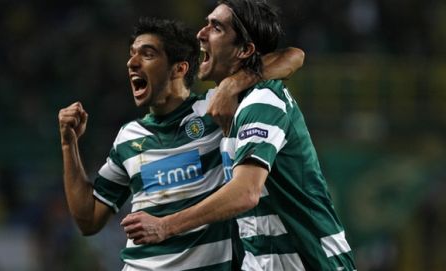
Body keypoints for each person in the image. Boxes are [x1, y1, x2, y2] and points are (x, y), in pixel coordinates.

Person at [121, 1, 357, 270]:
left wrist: (165, 226)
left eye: (216, 27)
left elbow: (246, 193)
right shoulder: (225, 106)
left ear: (244, 49)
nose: (201, 33)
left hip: (312, 262)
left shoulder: (263, 101)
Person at [58, 17, 303, 270]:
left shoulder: (216, 109)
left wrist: (232, 84)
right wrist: (69, 145)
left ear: (179, 69)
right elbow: (89, 220)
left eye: (148, 54)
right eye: (132, 55)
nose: (132, 63)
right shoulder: (128, 137)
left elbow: (293, 56)